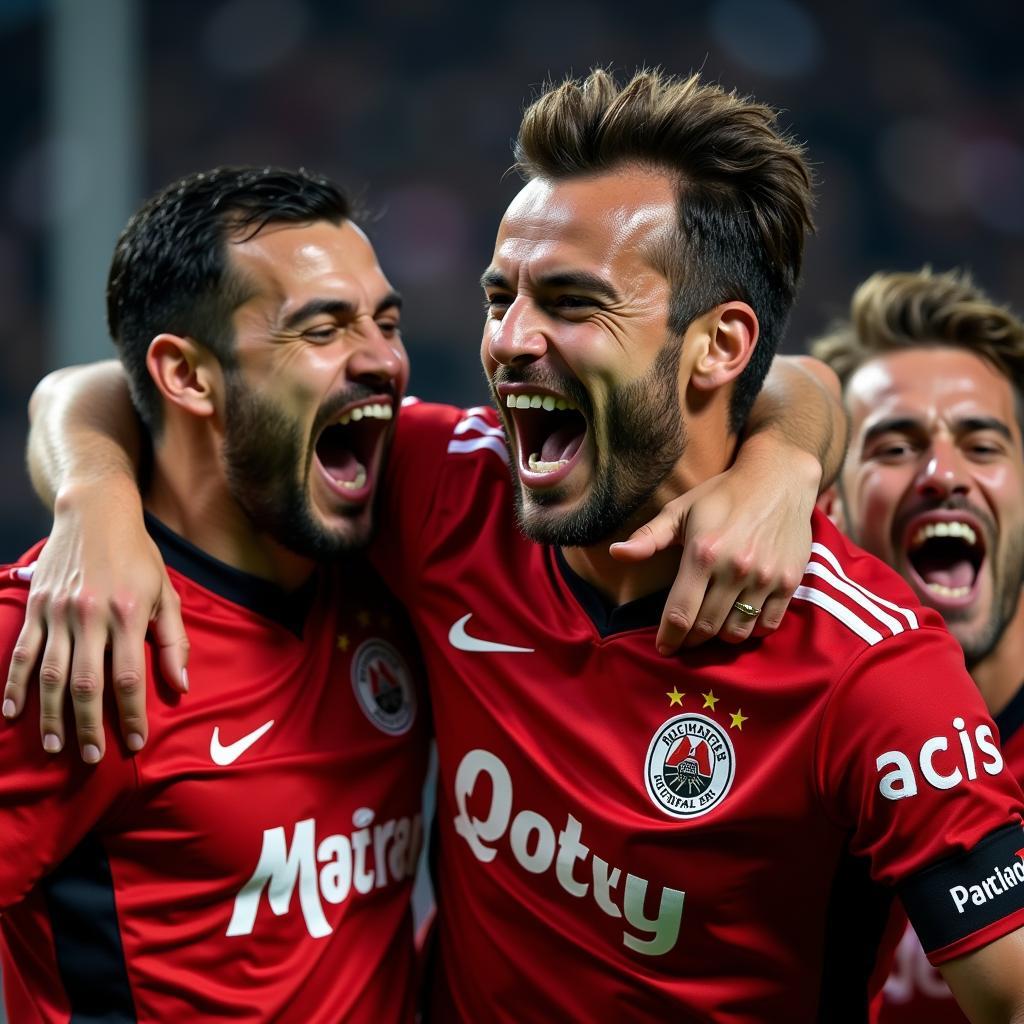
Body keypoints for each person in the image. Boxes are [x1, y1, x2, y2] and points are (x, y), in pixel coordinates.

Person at [13, 70, 1024, 1022]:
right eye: (503, 297)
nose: (507, 340)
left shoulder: (867, 663)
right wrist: (96, 499)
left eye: (571, 303)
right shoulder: (449, 488)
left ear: (718, 346)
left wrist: (787, 459)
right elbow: (124, 391)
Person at [0, 167, 436, 1022]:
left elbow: (77, 388)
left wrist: (783, 458)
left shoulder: (396, 551)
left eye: (386, 321)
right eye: (324, 327)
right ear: (189, 378)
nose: (384, 359)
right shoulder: (66, 635)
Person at [812, 267, 1024, 1024]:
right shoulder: (796, 733)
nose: (943, 475)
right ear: (826, 510)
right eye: (896, 447)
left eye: (982, 443)